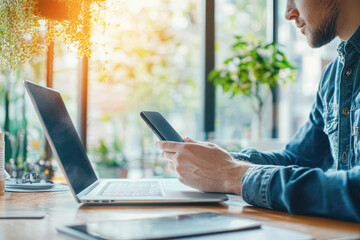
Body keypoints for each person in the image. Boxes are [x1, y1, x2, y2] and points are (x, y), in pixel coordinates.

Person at [155, 0, 360, 222]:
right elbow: (299, 157)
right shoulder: (334, 75)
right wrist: (218, 161)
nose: (288, 13)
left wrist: (231, 174)